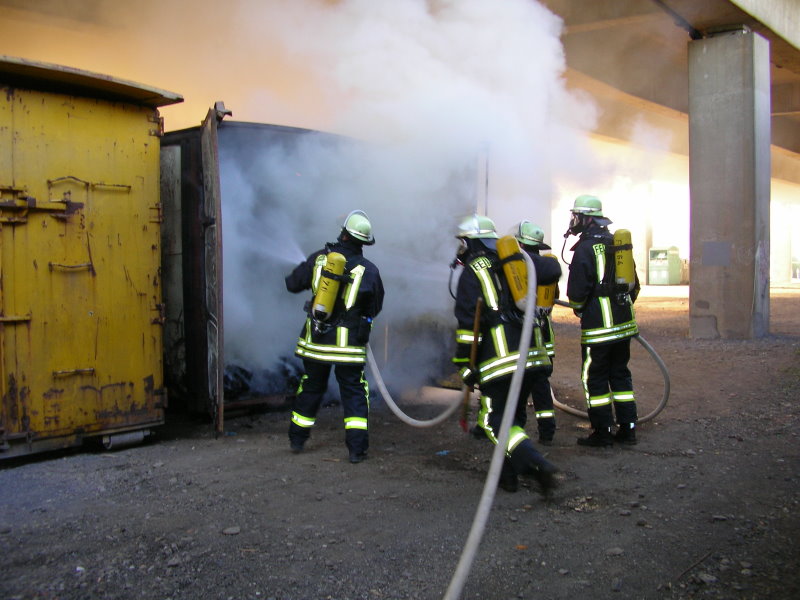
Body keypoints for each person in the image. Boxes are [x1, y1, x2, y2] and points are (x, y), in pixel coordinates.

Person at [452, 214, 560, 495]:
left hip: (501, 361)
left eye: (462, 242)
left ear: (468, 242)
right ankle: (507, 478)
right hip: (532, 354)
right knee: (513, 419)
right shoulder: (516, 259)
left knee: (492, 421)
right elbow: (552, 269)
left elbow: (467, 328)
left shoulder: (472, 271)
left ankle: (536, 464)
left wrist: (465, 366)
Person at [285, 210, 384, 464]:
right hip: (349, 348)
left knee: (311, 386)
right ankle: (356, 450)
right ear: (364, 242)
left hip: (316, 342)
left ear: (342, 233)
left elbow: (292, 284)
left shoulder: (320, 258)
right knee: (353, 393)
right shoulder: (369, 270)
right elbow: (375, 306)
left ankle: (297, 438)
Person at [564, 195, 640, 447]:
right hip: (624, 323)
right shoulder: (617, 244)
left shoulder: (584, 248)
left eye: (575, 216)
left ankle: (602, 432)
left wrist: (581, 310)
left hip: (599, 328)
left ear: (585, 218)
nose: (573, 221)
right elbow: (634, 286)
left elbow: (576, 292)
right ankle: (628, 429)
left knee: (594, 377)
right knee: (620, 374)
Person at [512, 220, 561, 445]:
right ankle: (547, 431)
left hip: (522, 335)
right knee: (541, 385)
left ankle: (516, 430)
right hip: (544, 336)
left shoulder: (517, 266)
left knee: (518, 385)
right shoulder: (548, 266)